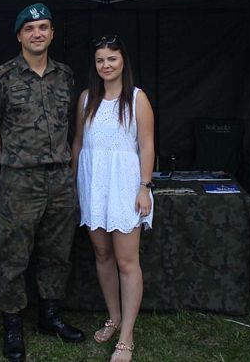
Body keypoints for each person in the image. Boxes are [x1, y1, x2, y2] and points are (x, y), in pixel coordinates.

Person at [0, 3, 85, 362]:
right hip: (20, 182)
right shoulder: (2, 76)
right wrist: (9, 161)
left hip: (60, 180)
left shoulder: (65, 76)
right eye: (29, 28)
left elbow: (71, 124)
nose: (37, 33)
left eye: (43, 27)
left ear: (52, 33)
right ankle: (12, 325)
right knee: (14, 254)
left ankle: (49, 316)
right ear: (19, 36)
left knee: (57, 253)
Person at [71, 35, 155, 362]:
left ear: (123, 62)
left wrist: (144, 186)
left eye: (112, 59)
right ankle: (114, 317)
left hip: (125, 187)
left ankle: (127, 336)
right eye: (100, 60)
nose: (106, 65)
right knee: (102, 254)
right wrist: (74, 182)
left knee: (126, 261)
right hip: (93, 186)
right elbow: (79, 143)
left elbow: (147, 145)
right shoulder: (86, 99)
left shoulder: (137, 99)